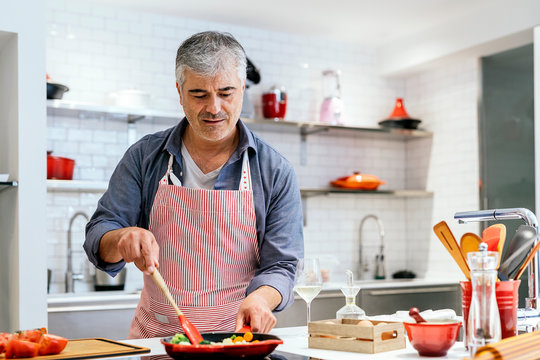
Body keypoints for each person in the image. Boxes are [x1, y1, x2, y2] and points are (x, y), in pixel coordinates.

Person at [83, 31, 304, 339]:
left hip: (236, 341)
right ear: (180, 91)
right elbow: (99, 233)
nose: (213, 108)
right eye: (199, 94)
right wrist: (121, 237)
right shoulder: (145, 156)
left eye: (226, 93)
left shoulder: (274, 170)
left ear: (242, 88)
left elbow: (282, 266)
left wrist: (261, 298)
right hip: (158, 341)